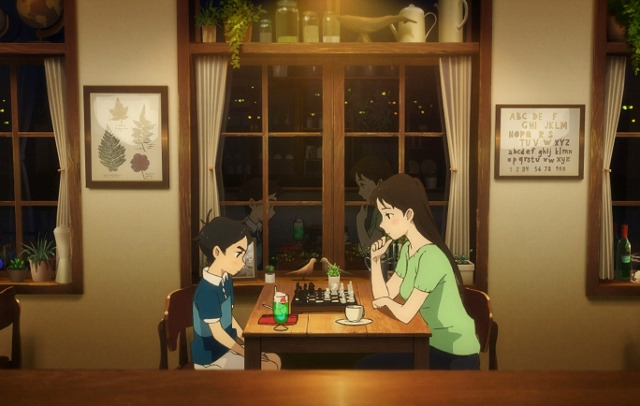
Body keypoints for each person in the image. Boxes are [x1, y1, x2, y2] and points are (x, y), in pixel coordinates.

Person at [357, 173, 480, 370]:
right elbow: (385, 295)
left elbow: (405, 314)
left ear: (409, 214)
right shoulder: (408, 249)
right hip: (429, 344)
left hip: (454, 353)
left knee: (367, 368)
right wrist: (376, 259)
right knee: (366, 366)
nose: (381, 224)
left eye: (388, 215)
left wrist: (385, 302)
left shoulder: (431, 256)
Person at [191, 216, 281, 370]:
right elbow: (218, 334)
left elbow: (229, 319)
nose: (243, 261)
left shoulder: (226, 280)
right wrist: (246, 353)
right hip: (210, 359)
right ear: (217, 252)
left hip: (227, 350)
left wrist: (247, 343)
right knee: (269, 366)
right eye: (238, 254)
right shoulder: (207, 291)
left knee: (274, 359)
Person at [349, 155, 394, 256]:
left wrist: (360, 223)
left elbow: (370, 251)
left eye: (363, 185)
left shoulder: (384, 212)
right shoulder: (378, 209)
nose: (360, 192)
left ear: (380, 183)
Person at [237, 178, 281, 269]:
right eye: (270, 204)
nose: (273, 211)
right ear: (252, 204)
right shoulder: (242, 232)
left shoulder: (259, 229)